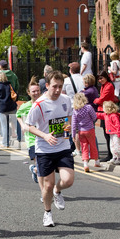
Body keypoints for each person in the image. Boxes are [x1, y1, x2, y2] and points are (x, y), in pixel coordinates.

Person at [25, 70, 74, 228]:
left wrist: (68, 127)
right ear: (47, 86)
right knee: (47, 185)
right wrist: (44, 136)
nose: (58, 90)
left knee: (68, 180)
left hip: (63, 146)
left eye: (60, 86)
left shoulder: (66, 99)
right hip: (45, 149)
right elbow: (29, 126)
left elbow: (70, 116)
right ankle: (47, 212)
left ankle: (58, 191)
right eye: (55, 86)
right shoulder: (39, 104)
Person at [17, 76, 41, 183]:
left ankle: (34, 169)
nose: (35, 93)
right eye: (33, 91)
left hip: (44, 138)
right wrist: (22, 124)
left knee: (43, 166)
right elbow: (18, 115)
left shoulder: (44, 103)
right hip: (31, 139)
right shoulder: (25, 106)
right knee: (40, 164)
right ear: (28, 93)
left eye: (37, 91)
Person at [72, 93, 101, 172]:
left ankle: (85, 164)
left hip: (81, 131)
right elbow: (94, 117)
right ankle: (96, 161)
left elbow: (74, 124)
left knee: (84, 147)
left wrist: (73, 134)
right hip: (90, 129)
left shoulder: (75, 110)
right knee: (93, 145)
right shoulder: (88, 107)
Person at [93, 70, 116, 162]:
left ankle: (111, 154)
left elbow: (102, 99)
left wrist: (97, 100)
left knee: (108, 134)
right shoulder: (104, 85)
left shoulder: (109, 86)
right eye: (99, 79)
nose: (100, 80)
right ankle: (110, 154)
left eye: (101, 78)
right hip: (104, 111)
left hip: (107, 111)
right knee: (106, 134)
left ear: (106, 77)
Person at [0, 71, 20, 148]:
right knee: (16, 123)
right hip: (12, 107)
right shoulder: (9, 85)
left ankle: (6, 143)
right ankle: (20, 139)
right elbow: (15, 95)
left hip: (2, 108)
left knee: (5, 126)